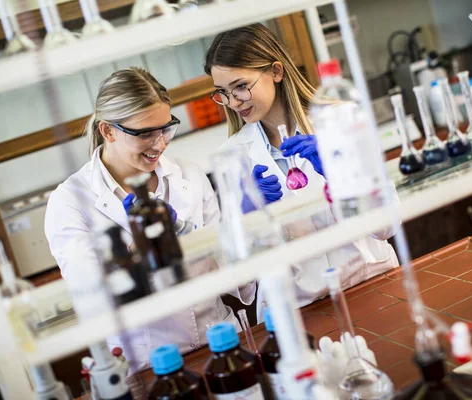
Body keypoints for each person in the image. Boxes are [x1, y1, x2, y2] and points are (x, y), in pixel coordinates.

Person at [45, 67, 254, 373]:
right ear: (108, 131)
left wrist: (243, 223)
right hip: (148, 364)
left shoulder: (189, 174)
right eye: (145, 133)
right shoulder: (70, 202)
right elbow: (92, 303)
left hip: (222, 341)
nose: (160, 144)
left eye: (165, 128)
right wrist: (137, 250)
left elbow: (236, 276)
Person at [204, 24, 400, 320]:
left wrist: (341, 177)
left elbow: (387, 226)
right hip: (297, 309)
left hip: (371, 283)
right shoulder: (231, 157)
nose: (232, 103)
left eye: (241, 86)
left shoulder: (340, 120)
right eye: (223, 93)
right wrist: (249, 216)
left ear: (276, 72)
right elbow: (243, 273)